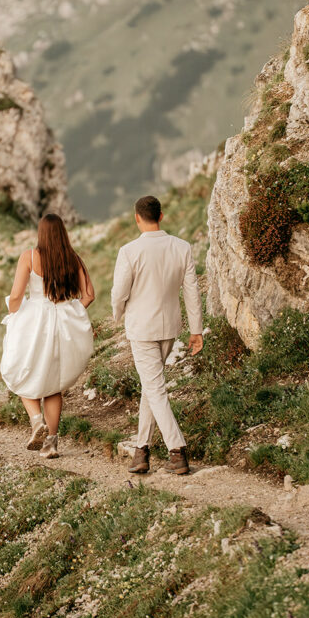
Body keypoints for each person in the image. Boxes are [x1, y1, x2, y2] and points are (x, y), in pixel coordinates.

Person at [110, 195, 203, 475]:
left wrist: (118, 314)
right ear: (161, 216)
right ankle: (142, 450)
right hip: (169, 327)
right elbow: (192, 291)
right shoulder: (182, 247)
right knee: (152, 387)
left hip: (141, 328)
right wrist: (196, 330)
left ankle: (177, 451)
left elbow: (119, 293)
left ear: (137, 218)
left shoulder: (129, 251)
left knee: (155, 388)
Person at [0, 213, 95, 458]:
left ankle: (35, 421)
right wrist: (71, 313)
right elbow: (89, 294)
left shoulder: (29, 256)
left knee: (20, 371)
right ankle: (50, 443)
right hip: (63, 324)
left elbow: (17, 295)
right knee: (53, 387)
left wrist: (13, 315)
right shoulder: (73, 258)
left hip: (35, 322)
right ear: (63, 232)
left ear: (41, 233)